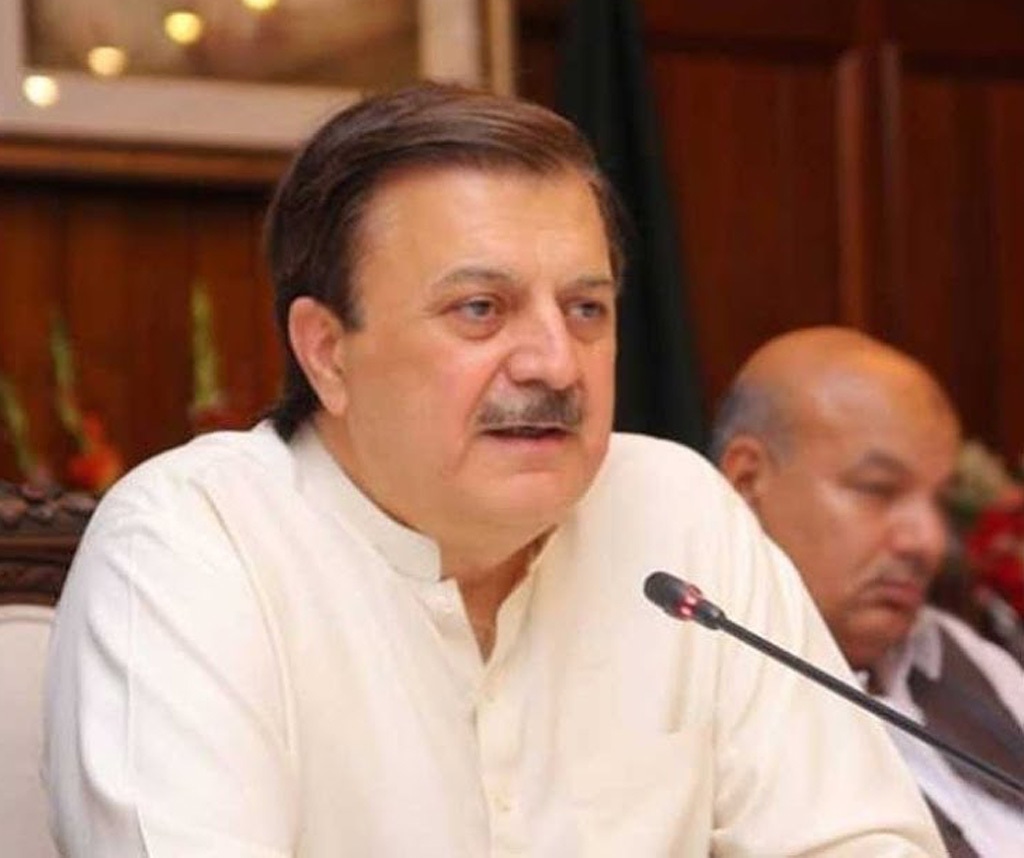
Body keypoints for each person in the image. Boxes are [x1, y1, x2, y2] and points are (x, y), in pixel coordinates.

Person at [44, 85, 943, 856]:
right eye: (481, 309)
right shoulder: (192, 544)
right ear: (327, 352)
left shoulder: (678, 513)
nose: (555, 362)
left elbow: (858, 840)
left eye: (586, 308)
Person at [712, 326, 1024, 857]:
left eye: (939, 501)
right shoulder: (704, 704)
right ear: (747, 482)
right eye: (879, 489)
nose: (928, 540)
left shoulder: (958, 650)